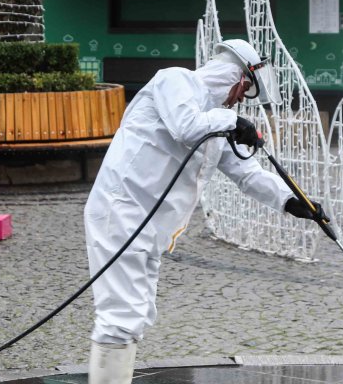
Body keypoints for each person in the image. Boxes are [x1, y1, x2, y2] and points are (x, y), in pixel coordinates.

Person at [84, 39, 326, 384]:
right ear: (239, 80)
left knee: (137, 315)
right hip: (121, 214)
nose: (239, 101)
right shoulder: (176, 81)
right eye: (243, 93)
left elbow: (247, 174)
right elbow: (185, 126)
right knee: (121, 317)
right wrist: (232, 119)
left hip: (149, 228)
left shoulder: (215, 125)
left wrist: (293, 200)